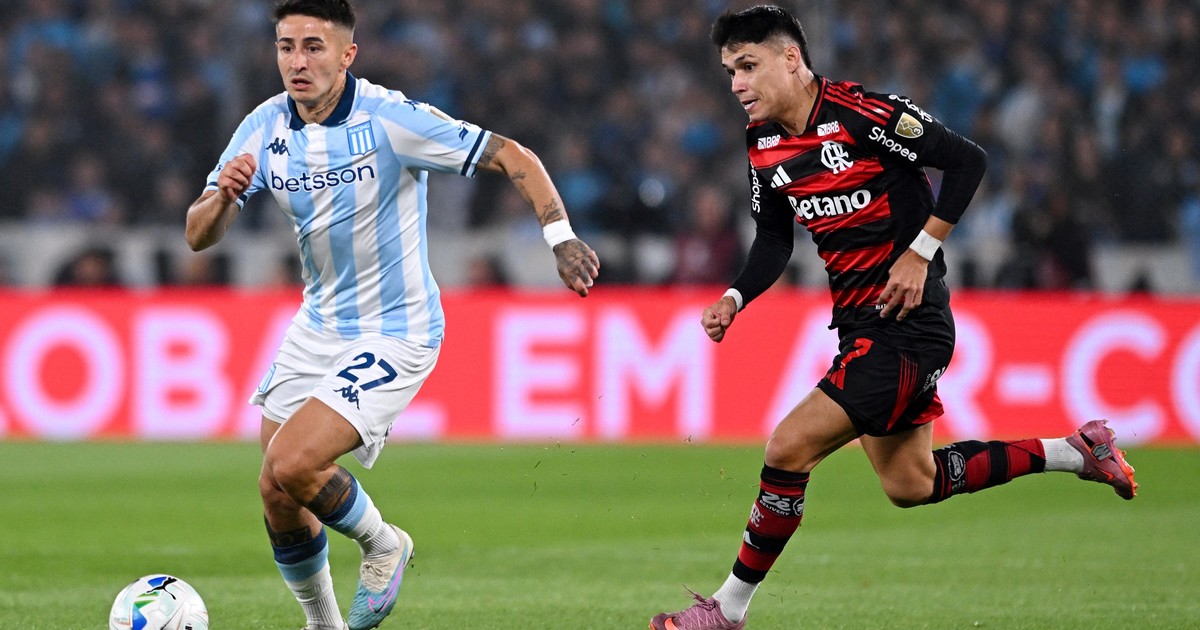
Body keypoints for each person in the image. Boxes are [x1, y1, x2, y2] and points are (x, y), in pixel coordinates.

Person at [650, 7, 1136, 630]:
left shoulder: (865, 115)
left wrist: (921, 250)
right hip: (860, 326)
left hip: (910, 325)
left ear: (791, 59)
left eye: (748, 66)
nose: (738, 84)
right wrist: (736, 297)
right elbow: (773, 239)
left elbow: (967, 161)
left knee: (787, 447)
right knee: (912, 482)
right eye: (729, 72)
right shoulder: (763, 144)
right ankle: (1076, 451)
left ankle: (726, 611)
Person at [184, 2, 599, 629]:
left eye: (314, 46)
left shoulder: (390, 119)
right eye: (286, 46)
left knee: (294, 462)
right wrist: (224, 196)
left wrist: (560, 238)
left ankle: (383, 544)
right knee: (276, 487)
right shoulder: (263, 125)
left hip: (397, 330)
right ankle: (323, 624)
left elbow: (514, 156)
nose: (298, 61)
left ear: (347, 54)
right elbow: (197, 235)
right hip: (318, 325)